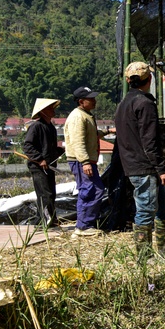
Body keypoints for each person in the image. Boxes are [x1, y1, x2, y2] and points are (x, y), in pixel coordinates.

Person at [115, 62, 165, 260]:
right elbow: (150, 141)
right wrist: (162, 169)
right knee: (146, 209)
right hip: (145, 167)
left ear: (128, 80)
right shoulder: (145, 103)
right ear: (149, 79)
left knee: (163, 207)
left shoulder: (123, 104)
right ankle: (145, 257)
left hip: (134, 164)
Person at [64, 86, 106, 236]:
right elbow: (78, 142)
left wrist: (107, 131)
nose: (94, 101)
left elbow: (91, 135)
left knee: (95, 189)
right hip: (81, 160)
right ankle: (83, 226)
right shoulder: (77, 117)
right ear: (81, 101)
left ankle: (86, 223)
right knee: (89, 190)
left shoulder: (85, 115)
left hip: (86, 160)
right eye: (91, 99)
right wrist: (85, 162)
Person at [22, 97, 64, 228]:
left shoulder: (50, 127)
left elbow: (49, 148)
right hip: (39, 167)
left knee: (51, 193)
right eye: (50, 108)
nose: (53, 110)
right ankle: (46, 221)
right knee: (45, 194)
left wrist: (60, 150)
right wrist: (40, 159)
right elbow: (28, 146)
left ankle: (48, 219)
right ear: (43, 111)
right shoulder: (36, 126)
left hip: (49, 166)